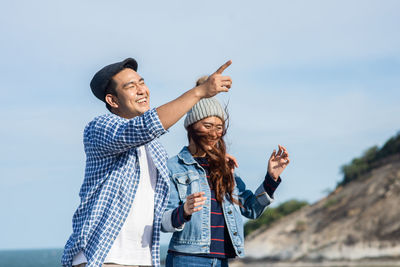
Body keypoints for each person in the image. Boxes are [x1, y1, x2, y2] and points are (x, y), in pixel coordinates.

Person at [61, 58, 233, 267]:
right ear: (113, 100)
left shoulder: (155, 149)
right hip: (103, 257)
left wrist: (211, 161)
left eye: (142, 82)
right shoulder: (99, 128)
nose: (142, 90)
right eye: (131, 86)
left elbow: (159, 217)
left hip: (144, 259)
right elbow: (144, 127)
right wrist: (198, 92)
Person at [161, 78, 290, 267]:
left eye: (219, 127)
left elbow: (251, 209)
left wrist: (271, 179)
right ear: (191, 126)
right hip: (186, 259)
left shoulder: (225, 168)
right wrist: (184, 211)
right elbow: (163, 223)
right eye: (207, 126)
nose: (214, 133)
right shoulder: (173, 167)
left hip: (222, 260)